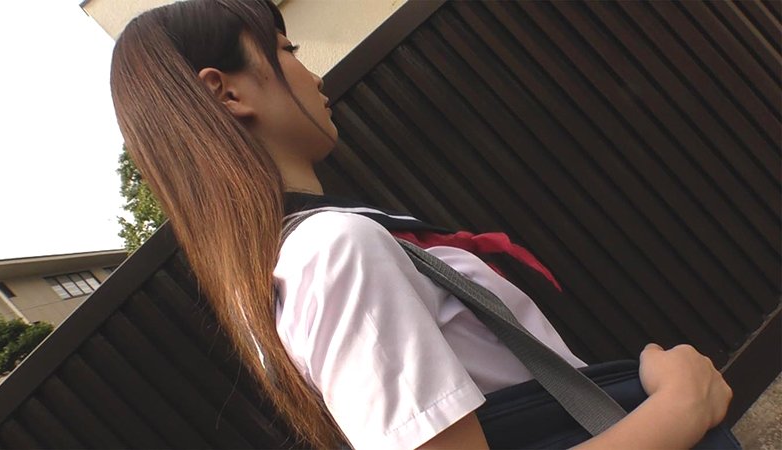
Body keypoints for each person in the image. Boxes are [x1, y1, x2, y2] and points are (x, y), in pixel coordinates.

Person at [109, 1, 733, 448]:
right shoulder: (332, 248)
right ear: (227, 94)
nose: (313, 74)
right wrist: (681, 406)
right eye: (286, 50)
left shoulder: (281, 271)